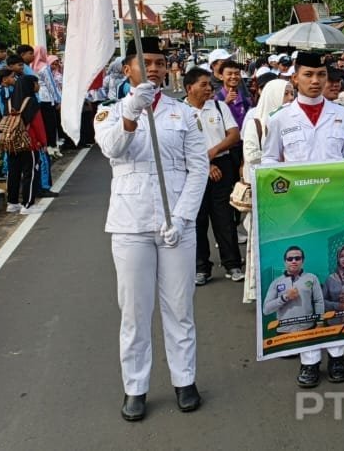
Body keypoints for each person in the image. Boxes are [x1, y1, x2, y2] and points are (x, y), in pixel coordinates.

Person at [95, 37, 209, 421]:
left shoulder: (184, 114)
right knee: (134, 310)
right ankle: (136, 387)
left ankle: (184, 380)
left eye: (161, 62)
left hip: (176, 222)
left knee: (180, 308)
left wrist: (183, 216)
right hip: (131, 223)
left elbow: (198, 169)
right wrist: (131, 110)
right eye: (146, 63)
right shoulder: (109, 113)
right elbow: (113, 149)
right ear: (127, 69)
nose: (156, 68)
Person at [261, 51, 344, 387]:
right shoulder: (280, 118)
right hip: (298, 214)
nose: (315, 81)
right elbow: (269, 162)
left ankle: (337, 353)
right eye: (308, 74)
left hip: (335, 211)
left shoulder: (342, 116)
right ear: (295, 78)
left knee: (334, 283)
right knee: (304, 286)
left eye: (320, 74)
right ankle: (308, 358)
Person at [182, 67, 243, 286]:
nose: (209, 89)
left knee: (224, 218)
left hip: (222, 165)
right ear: (190, 88)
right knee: (197, 220)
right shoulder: (181, 111)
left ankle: (232, 264)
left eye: (210, 84)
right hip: (192, 170)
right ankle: (201, 268)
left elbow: (234, 135)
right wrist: (205, 165)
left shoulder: (218, 106)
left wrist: (213, 153)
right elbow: (178, 146)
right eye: (204, 84)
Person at [240, 78, 294, 303]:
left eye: (292, 94)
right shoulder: (255, 121)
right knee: (262, 240)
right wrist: (277, 159)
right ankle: (260, 291)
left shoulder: (291, 119)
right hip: (265, 189)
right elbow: (251, 155)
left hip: (288, 191)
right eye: (286, 94)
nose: (290, 99)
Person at [2, 74, 46, 215]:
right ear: (30, 85)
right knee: (30, 173)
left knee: (13, 172)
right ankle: (27, 204)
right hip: (29, 143)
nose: (38, 86)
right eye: (36, 83)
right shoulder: (31, 102)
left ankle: (12, 202)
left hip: (12, 142)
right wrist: (43, 142)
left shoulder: (9, 101)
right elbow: (37, 124)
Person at [262, 245, 325, 334]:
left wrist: (320, 321)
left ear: (302, 261)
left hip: (308, 328)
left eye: (297, 258)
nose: (294, 261)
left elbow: (319, 301)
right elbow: (266, 310)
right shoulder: (276, 282)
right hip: (284, 331)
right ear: (285, 262)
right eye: (290, 259)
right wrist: (285, 297)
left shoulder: (312, 278)